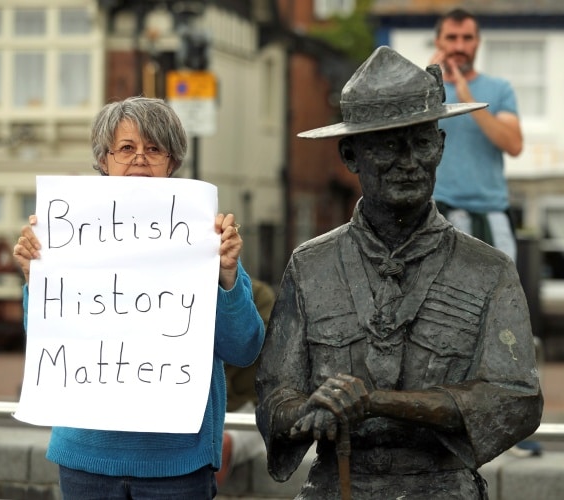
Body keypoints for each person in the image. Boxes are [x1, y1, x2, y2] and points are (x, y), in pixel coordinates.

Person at [255, 46, 543, 499]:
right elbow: (274, 400)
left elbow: (515, 398)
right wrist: (314, 407)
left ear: (441, 147)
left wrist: (377, 402)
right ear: (350, 154)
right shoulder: (310, 266)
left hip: (444, 487)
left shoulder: (488, 270)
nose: (409, 161)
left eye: (422, 142)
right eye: (389, 145)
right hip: (337, 486)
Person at [12, 96, 265, 500]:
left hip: (177, 464)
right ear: (104, 159)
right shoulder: (69, 233)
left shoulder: (205, 239)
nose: (140, 159)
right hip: (85, 457)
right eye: (127, 148)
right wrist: (35, 278)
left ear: (172, 161)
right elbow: (49, 342)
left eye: (154, 149)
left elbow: (244, 348)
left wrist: (229, 276)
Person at [429, 8, 523, 262]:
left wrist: (468, 100)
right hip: (438, 214)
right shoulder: (421, 90)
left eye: (467, 38)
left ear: (478, 42)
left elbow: (514, 144)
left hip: (491, 214)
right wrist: (426, 87)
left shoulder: (499, 89)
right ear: (438, 41)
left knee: (501, 298)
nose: (459, 46)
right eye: (452, 38)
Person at [216, 278, 276, 486]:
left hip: (246, 406)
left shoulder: (259, 295)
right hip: (199, 404)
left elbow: (248, 346)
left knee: (220, 444)